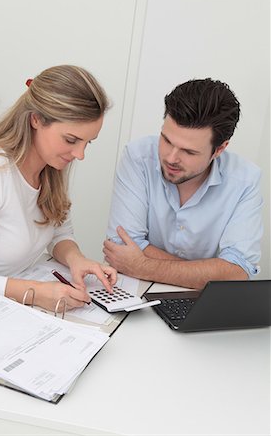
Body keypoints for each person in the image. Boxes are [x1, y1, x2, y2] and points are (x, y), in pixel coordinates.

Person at [0, 64, 117, 311]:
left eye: (87, 142)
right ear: (36, 119)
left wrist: (76, 259)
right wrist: (34, 292)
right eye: (71, 140)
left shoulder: (50, 169)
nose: (80, 154)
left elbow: (59, 232)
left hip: (8, 309)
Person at [103, 78, 263, 289]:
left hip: (198, 305)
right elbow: (121, 247)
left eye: (189, 151)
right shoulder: (138, 157)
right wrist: (207, 272)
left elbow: (237, 271)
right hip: (135, 294)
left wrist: (142, 266)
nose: (171, 157)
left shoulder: (244, 180)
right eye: (166, 140)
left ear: (219, 149)